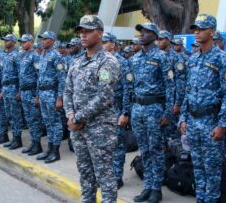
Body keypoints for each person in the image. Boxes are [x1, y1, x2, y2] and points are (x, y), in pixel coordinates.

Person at [179, 14, 226, 203]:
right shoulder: (193, 59)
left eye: (201, 29)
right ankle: (200, 199)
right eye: (195, 28)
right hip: (194, 122)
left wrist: (222, 125)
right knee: (198, 167)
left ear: (212, 32)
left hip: (211, 122)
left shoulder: (223, 59)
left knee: (212, 170)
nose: (196, 32)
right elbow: (188, 91)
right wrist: (183, 118)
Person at [64, 15, 120, 203]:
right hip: (78, 128)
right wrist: (70, 115)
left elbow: (103, 97)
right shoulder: (77, 62)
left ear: (100, 33)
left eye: (88, 31)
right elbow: (67, 91)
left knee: (104, 177)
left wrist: (77, 118)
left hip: (100, 129)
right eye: (82, 31)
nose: (83, 35)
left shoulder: (108, 62)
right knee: (85, 174)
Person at [123, 22, 175, 203]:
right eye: (140, 32)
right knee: (144, 149)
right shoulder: (134, 59)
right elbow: (129, 87)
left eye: (146, 32)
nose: (142, 35)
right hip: (138, 109)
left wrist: (168, 113)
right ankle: (148, 186)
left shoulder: (162, 57)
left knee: (156, 149)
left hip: (154, 109)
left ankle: (156, 189)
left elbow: (170, 87)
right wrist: (127, 111)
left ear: (154, 36)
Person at [101, 32, 130, 189]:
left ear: (112, 44)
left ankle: (117, 176)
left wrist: (125, 112)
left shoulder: (122, 62)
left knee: (118, 145)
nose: (102, 44)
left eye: (105, 42)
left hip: (117, 107)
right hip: (103, 109)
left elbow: (127, 89)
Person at [36, 31, 66, 163]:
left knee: (55, 123)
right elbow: (39, 77)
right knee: (47, 123)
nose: (43, 41)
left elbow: (62, 79)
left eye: (46, 39)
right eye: (42, 39)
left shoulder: (56, 56)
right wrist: (38, 95)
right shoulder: (43, 55)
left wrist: (60, 98)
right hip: (43, 94)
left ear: (53, 40)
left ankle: (56, 151)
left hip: (52, 94)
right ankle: (49, 148)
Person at [158, 30, 186, 141]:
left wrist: (178, 103)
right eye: (158, 39)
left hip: (171, 100)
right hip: (158, 101)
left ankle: (172, 155)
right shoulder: (156, 56)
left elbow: (180, 82)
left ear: (169, 40)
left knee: (171, 132)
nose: (158, 42)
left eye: (161, 39)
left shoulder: (176, 58)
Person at [18, 34, 43, 155]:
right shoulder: (23, 56)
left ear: (31, 42)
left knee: (35, 119)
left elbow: (39, 76)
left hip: (32, 92)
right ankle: (33, 142)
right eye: (21, 42)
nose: (22, 43)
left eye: (24, 41)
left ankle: (37, 144)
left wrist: (37, 95)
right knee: (29, 119)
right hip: (24, 92)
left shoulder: (35, 56)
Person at [0, 34, 24, 150]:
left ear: (14, 42)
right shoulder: (5, 55)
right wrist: (1, 89)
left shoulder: (16, 55)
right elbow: (3, 74)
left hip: (14, 88)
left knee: (16, 115)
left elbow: (21, 73)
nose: (5, 42)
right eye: (5, 40)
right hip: (6, 88)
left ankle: (18, 139)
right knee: (9, 114)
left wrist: (19, 91)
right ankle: (14, 138)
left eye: (8, 40)